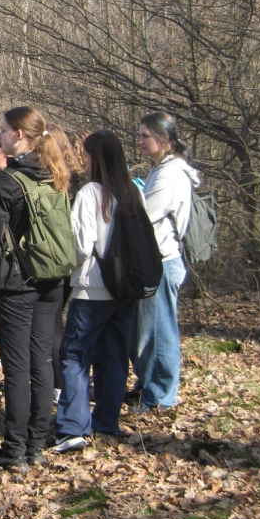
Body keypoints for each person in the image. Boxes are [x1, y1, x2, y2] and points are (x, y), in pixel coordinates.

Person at [0, 106, 70, 470]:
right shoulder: (54, 174)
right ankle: (35, 446)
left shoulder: (5, 181)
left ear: (18, 135)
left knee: (16, 369)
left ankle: (14, 451)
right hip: (52, 281)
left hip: (16, 285)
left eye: (2, 130)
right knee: (42, 363)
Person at [53, 130, 144, 452]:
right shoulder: (133, 192)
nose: (85, 160)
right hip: (125, 290)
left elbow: (82, 244)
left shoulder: (91, 192)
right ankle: (106, 422)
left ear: (96, 158)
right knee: (114, 357)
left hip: (92, 290)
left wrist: (67, 266)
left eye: (88, 155)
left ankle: (72, 427)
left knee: (75, 356)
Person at [132, 111, 199, 410]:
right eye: (139, 135)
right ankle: (148, 386)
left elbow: (142, 216)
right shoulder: (159, 170)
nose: (140, 141)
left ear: (165, 138)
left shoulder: (169, 175)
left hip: (161, 263)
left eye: (146, 136)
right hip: (154, 262)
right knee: (147, 331)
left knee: (158, 333)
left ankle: (160, 398)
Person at [45, 123, 89, 403]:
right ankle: (59, 380)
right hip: (71, 258)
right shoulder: (79, 178)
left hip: (62, 259)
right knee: (56, 321)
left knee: (53, 323)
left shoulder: (60, 181)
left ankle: (59, 382)